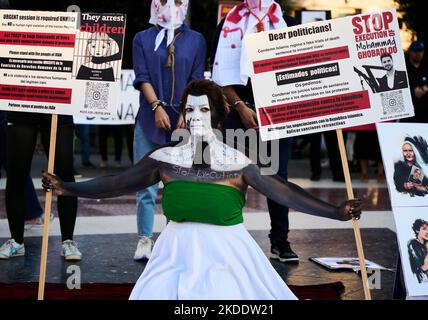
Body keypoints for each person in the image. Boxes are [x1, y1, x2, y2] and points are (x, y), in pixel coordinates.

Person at [42, 79, 362, 300]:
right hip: (173, 252)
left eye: (204, 110)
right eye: (190, 109)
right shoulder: (164, 158)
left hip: (230, 254)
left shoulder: (239, 162)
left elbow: (284, 193)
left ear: (219, 117)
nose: (195, 117)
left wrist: (336, 212)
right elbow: (116, 183)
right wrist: (66, 189)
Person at [211, 0, 301, 263]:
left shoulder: (290, 24)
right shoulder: (227, 24)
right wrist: (240, 107)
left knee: (277, 179)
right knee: (231, 177)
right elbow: (219, 75)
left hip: (277, 116)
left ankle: (280, 240)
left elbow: (301, 73)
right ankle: (225, 237)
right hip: (239, 113)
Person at [131, 0, 206, 260]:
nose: (170, 5)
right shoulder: (142, 38)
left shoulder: (196, 40)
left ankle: (174, 239)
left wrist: (186, 112)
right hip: (149, 118)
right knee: (146, 183)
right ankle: (144, 239)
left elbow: (197, 80)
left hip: (183, 121)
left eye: (176, 1)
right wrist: (156, 107)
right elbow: (142, 77)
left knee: (180, 182)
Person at [0, 111, 80, 261]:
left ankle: (68, 241)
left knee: (64, 175)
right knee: (16, 174)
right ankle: (16, 241)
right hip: (23, 104)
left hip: (58, 104)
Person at [400, 41, 428, 123]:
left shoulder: (425, 70)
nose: (418, 53)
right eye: (416, 51)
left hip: (424, 116)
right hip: (408, 117)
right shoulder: (403, 69)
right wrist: (413, 91)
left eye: (421, 51)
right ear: (410, 52)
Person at [408, 219, 428, 283]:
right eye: (424, 229)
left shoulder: (427, 244)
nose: (427, 232)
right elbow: (424, 267)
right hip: (420, 281)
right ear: (417, 230)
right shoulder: (413, 243)